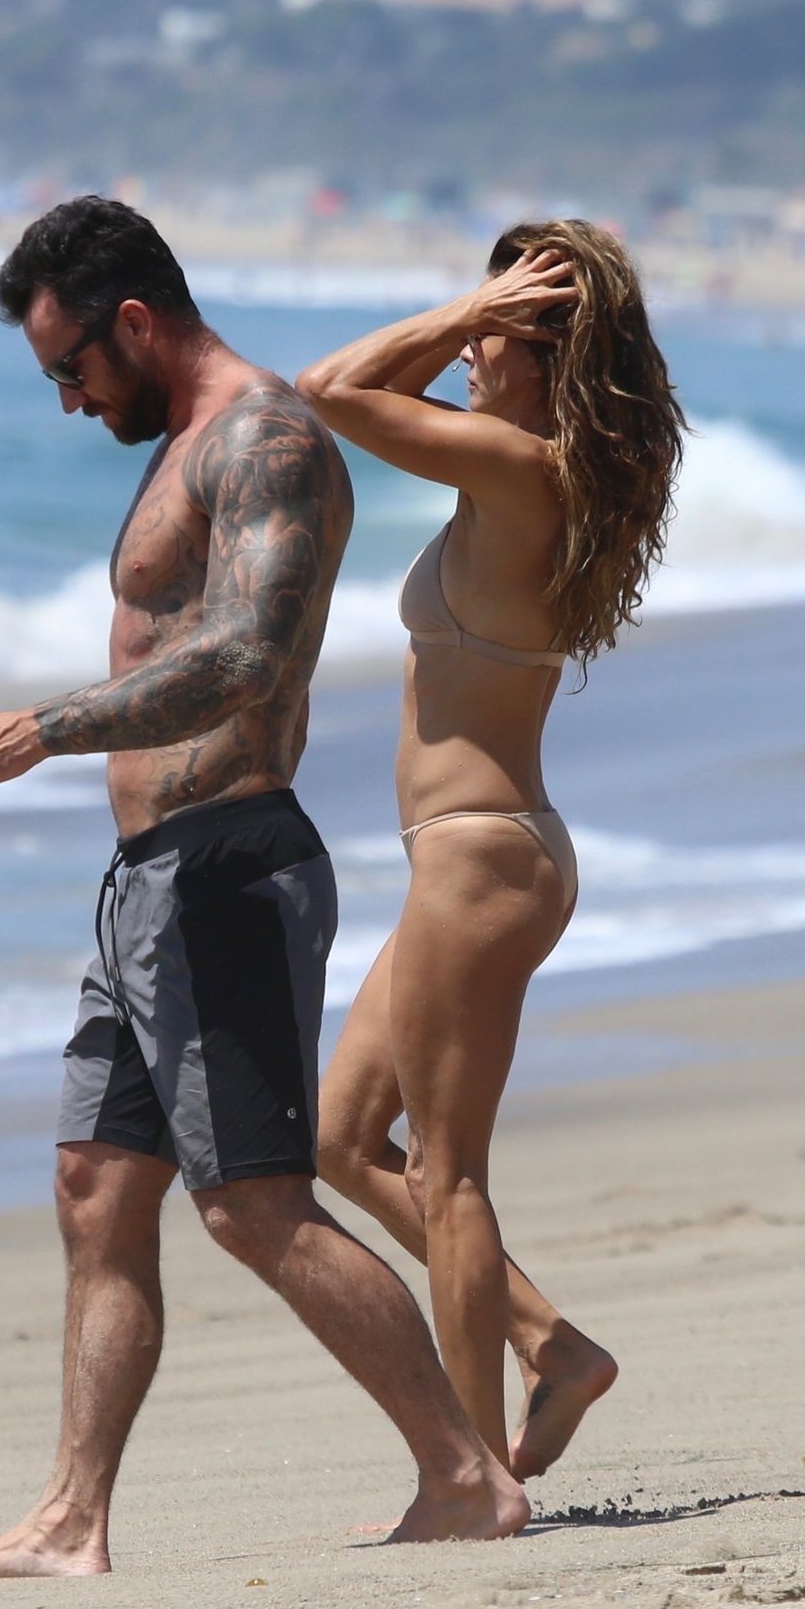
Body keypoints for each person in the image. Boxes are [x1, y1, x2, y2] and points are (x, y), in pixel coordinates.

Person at [0, 198, 530, 1580]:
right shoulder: (185, 447)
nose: (69, 401)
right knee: (94, 1187)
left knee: (253, 1204)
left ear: (134, 322)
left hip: (228, 872)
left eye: (73, 367)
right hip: (147, 885)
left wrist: (39, 731)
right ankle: (72, 1519)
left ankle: (464, 1477)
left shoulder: (265, 440)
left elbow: (245, 654)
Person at [297, 221, 686, 1480]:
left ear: (548, 358)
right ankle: (551, 1349)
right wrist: (483, 313)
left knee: (449, 1175)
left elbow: (330, 390)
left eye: (492, 336)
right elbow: (371, 401)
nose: (467, 351)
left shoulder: (521, 468)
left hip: (481, 862)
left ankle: (467, 1481)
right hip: (477, 859)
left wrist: (470, 305)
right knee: (340, 1140)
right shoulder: (524, 469)